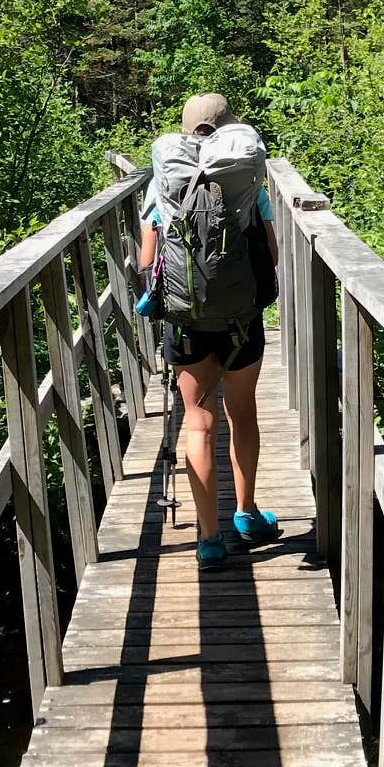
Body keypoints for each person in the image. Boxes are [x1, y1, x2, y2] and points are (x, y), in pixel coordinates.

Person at [139, 92, 281, 566]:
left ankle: (209, 539)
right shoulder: (246, 183)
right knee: (242, 412)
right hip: (242, 318)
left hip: (187, 322)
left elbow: (146, 261)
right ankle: (246, 513)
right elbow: (272, 254)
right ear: (228, 128)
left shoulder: (164, 184)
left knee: (198, 422)